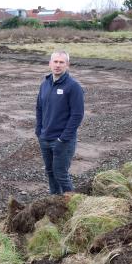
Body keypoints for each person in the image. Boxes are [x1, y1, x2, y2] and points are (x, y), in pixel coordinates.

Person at [35, 51, 84, 195]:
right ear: (49, 63)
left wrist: (63, 138)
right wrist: (39, 131)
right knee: (50, 172)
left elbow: (77, 115)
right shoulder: (45, 84)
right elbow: (39, 108)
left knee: (61, 175)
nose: (57, 65)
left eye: (61, 62)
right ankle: (55, 201)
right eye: (55, 62)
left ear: (67, 65)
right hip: (45, 138)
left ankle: (71, 205)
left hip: (63, 141)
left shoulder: (73, 86)